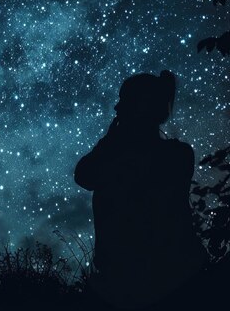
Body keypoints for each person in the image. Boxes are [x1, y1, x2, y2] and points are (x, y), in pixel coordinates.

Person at [74, 70, 205, 308]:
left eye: (124, 101)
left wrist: (110, 140)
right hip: (157, 279)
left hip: (150, 283)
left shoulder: (169, 155)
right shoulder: (177, 154)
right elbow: (84, 176)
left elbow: (87, 175)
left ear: (140, 107)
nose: (116, 108)